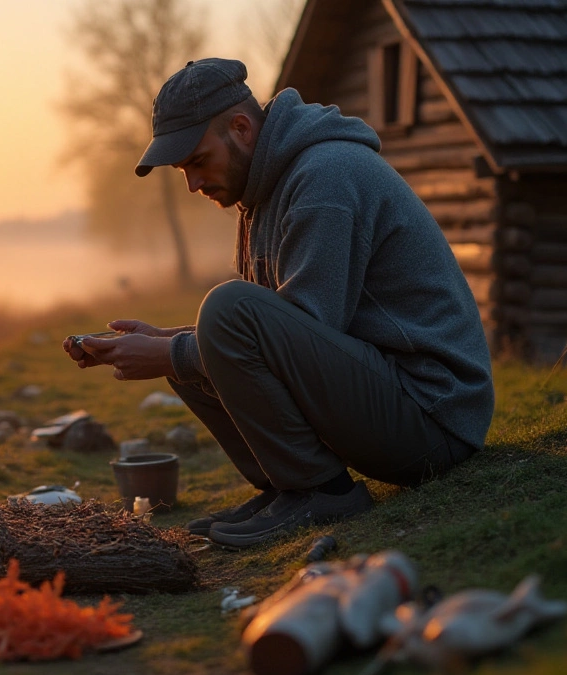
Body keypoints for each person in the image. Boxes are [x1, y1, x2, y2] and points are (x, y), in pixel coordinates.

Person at [62, 58, 493, 548]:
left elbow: (304, 326)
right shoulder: (262, 194)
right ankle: (287, 486)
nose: (193, 185)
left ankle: (322, 491)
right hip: (387, 397)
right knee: (202, 336)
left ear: (242, 128)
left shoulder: (326, 178)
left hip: (434, 418)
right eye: (183, 171)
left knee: (221, 314)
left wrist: (172, 352)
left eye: (198, 161)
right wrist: (164, 343)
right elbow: (276, 333)